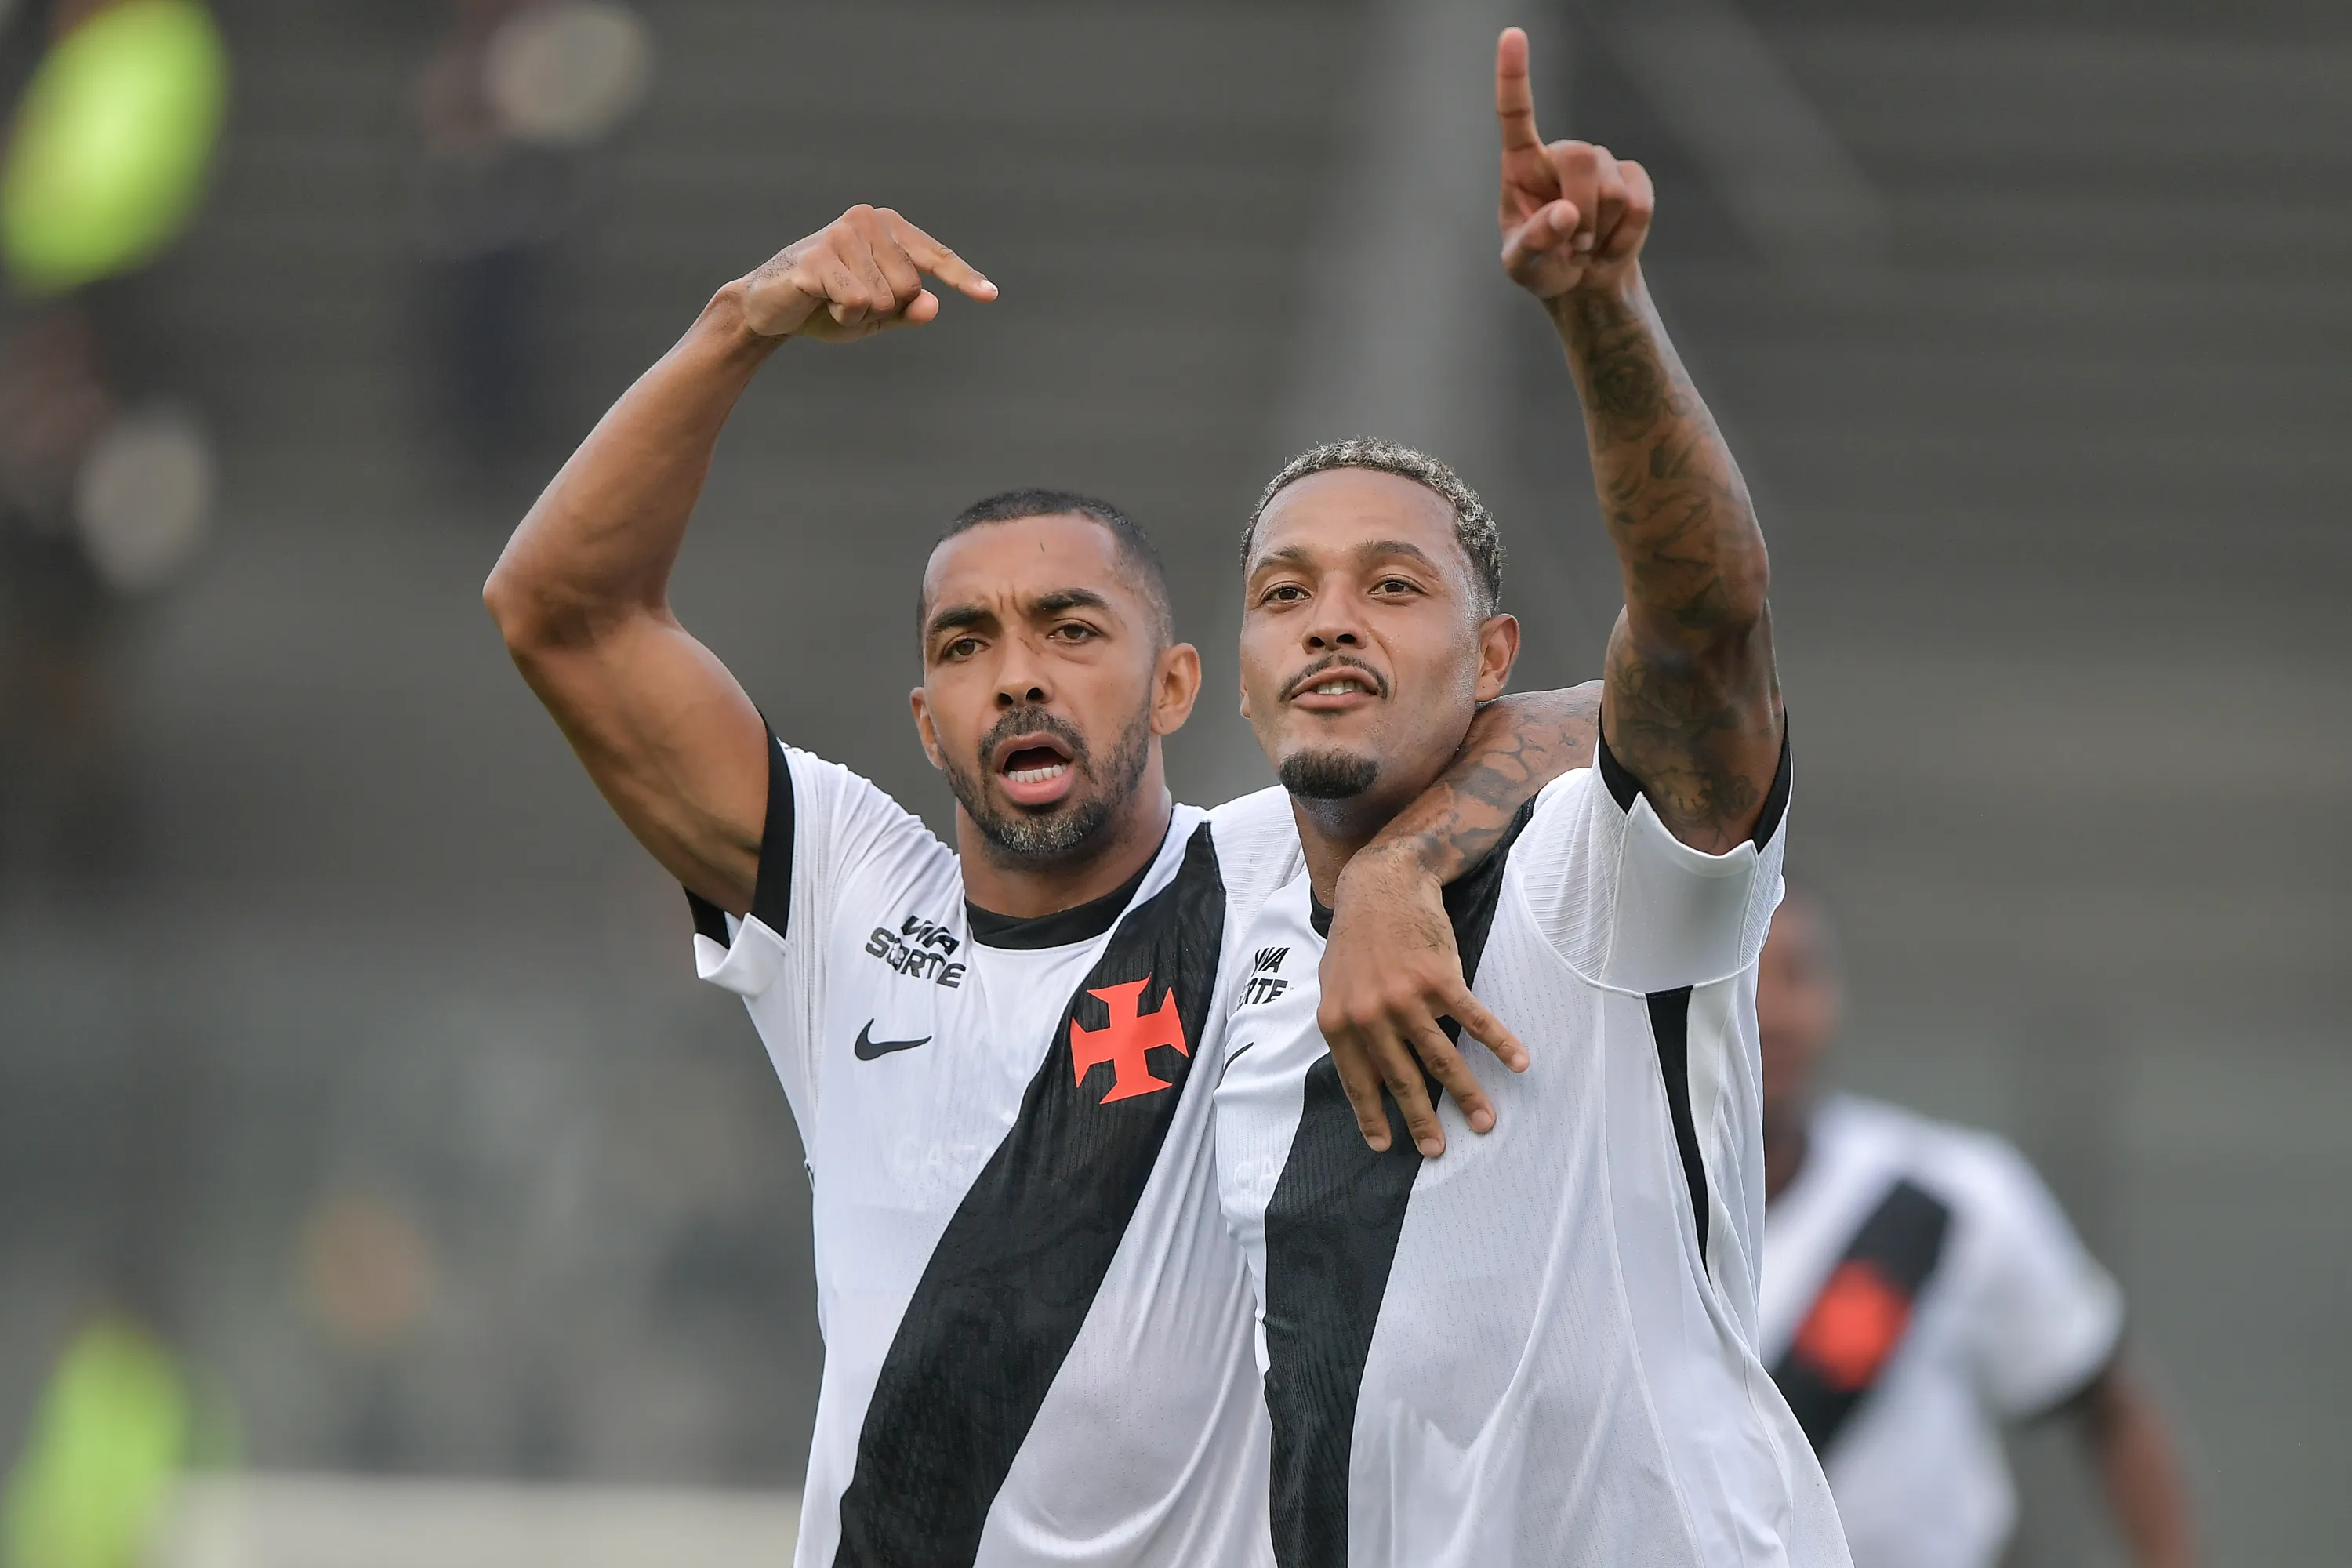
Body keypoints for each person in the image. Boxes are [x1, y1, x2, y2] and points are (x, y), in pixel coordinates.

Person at [484, 203, 1602, 1564]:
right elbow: (559, 610)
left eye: (1072, 631)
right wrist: (739, 324)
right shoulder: (844, 897)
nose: (1017, 675)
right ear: (923, 721)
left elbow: (1630, 714)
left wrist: (1401, 868)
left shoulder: (1272, 868)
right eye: (967, 644)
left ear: (1176, 685)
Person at [1212, 27, 1847, 1565]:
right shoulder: (1194, 905)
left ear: (1494, 654)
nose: (1331, 622)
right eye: (1285, 591)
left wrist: (1601, 313)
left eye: (1392, 585)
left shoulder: (1594, 868)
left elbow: (1701, 639)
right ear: (1234, 665)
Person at [1755, 890, 2198, 1568]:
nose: (1774, 1012)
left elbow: (2114, 1408)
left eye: (1798, 975)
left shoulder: (1947, 1198)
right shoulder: (1618, 1213)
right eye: (1743, 976)